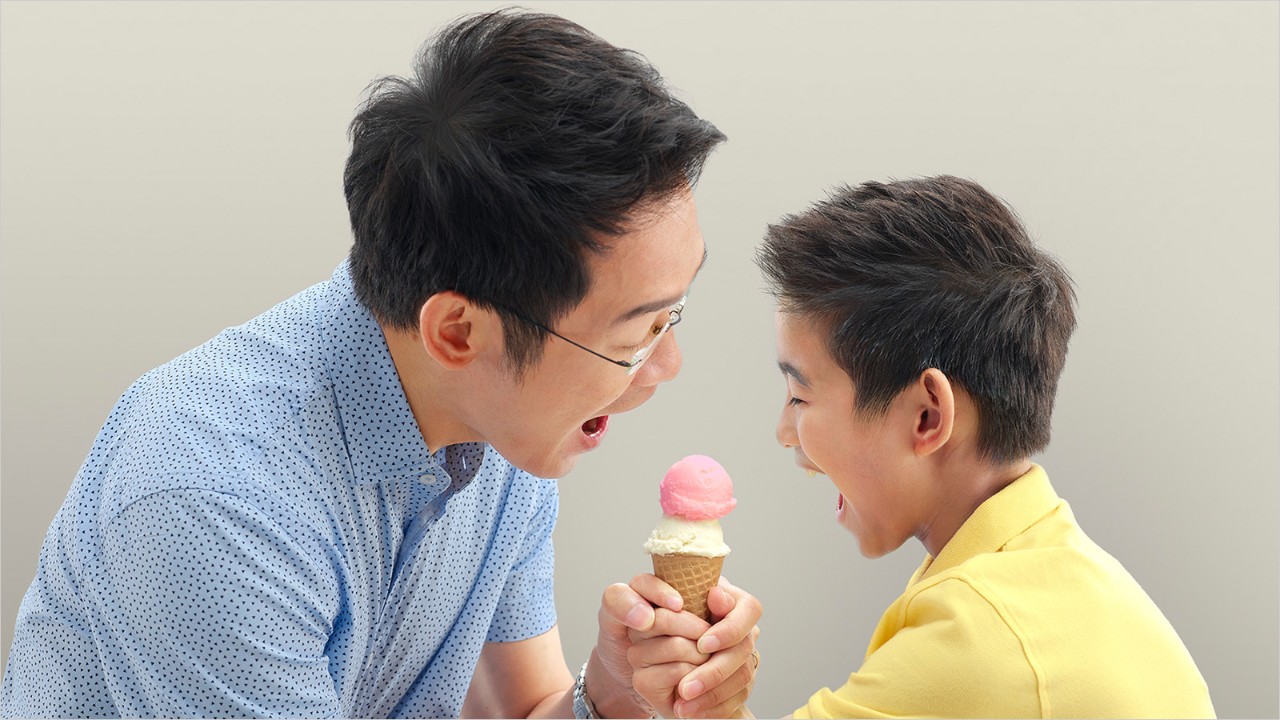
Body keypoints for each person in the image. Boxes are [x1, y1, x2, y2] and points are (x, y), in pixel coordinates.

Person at [1, 9, 761, 718]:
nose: (667, 367)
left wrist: (617, 693)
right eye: (635, 337)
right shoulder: (214, 496)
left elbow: (522, 708)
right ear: (458, 332)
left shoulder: (502, 423)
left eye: (674, 316)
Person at [631, 175, 1214, 718]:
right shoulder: (1054, 576)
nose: (784, 431)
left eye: (800, 395)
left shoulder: (979, 637)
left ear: (927, 415)